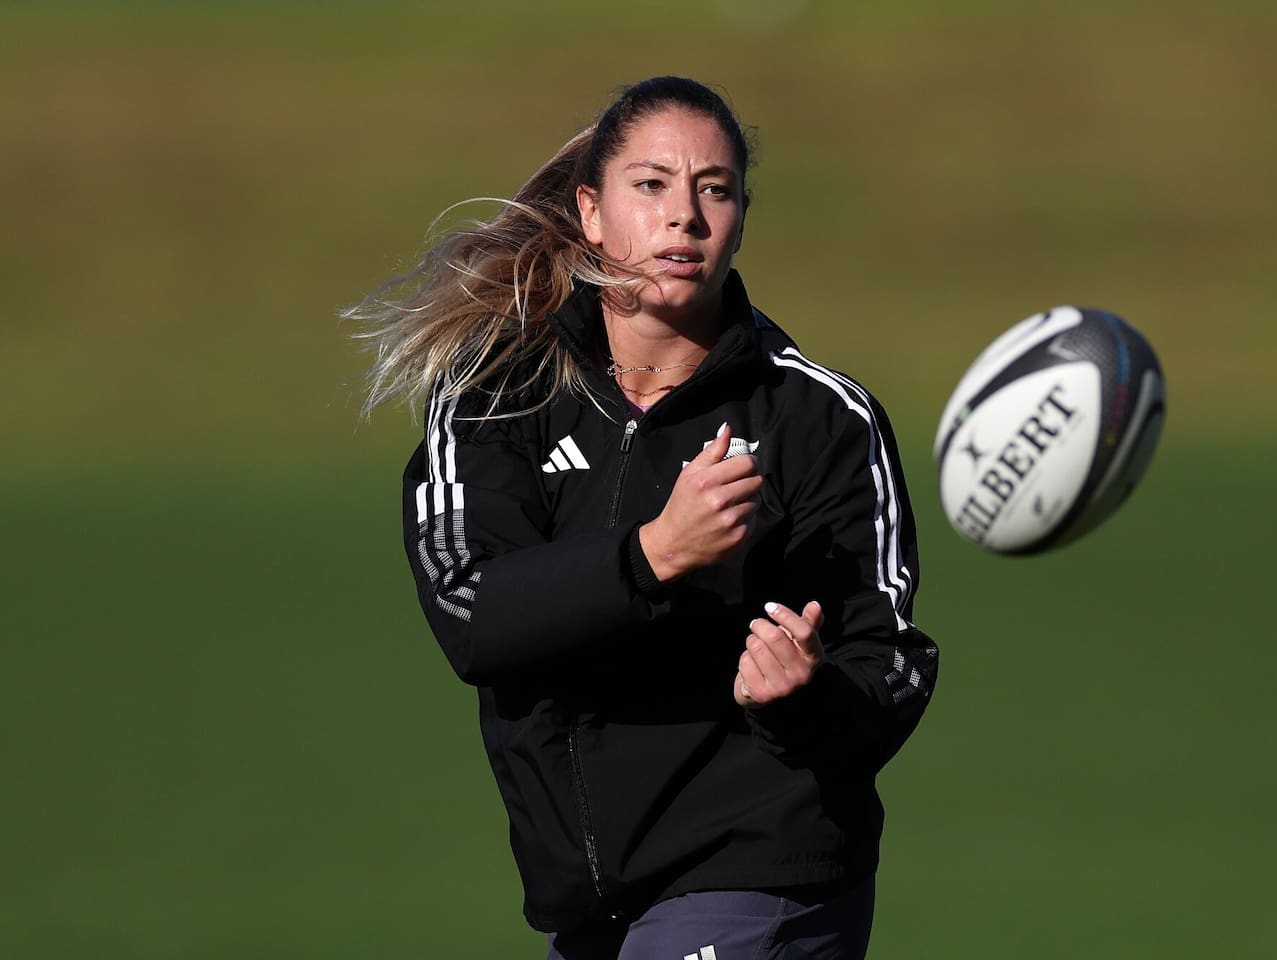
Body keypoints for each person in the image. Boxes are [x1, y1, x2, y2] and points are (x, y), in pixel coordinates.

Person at [347, 76, 939, 960]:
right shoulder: (497, 394)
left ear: (742, 215)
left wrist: (804, 697)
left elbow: (889, 664)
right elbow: (474, 614)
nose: (686, 218)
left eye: (715, 189)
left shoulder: (816, 419)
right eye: (651, 185)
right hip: (587, 901)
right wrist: (656, 553)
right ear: (591, 211)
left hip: (760, 873)